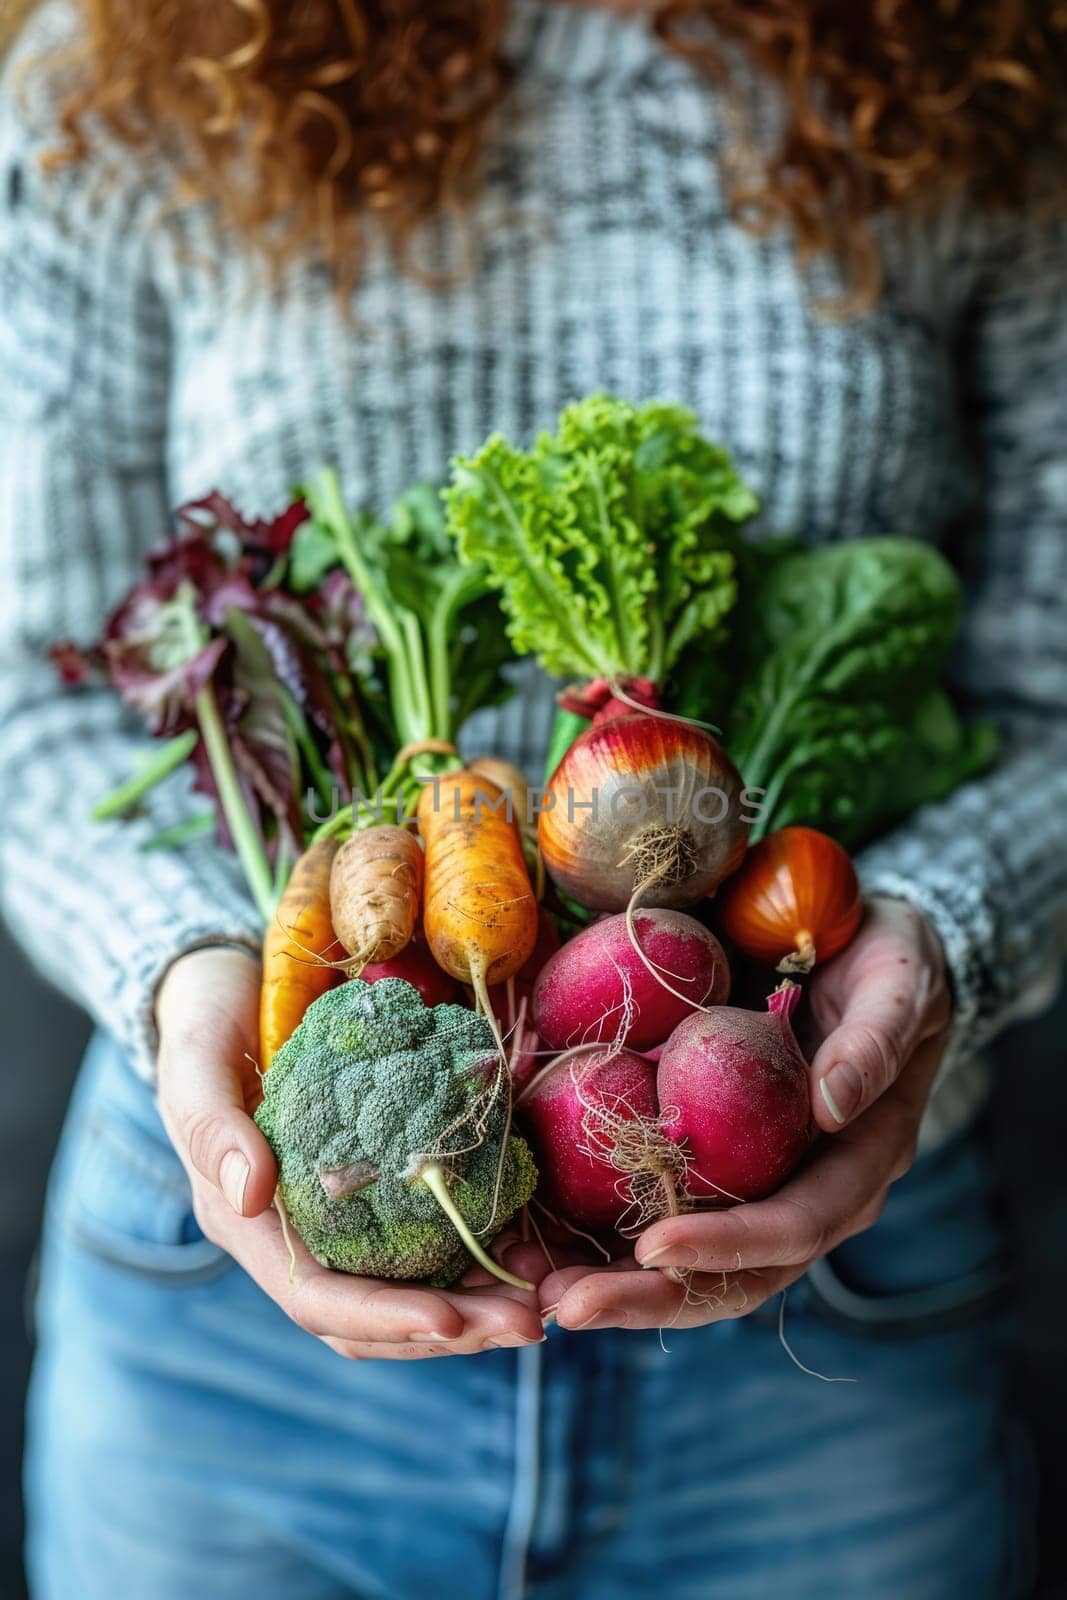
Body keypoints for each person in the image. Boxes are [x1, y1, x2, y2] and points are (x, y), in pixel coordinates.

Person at [1, 1, 1064, 1595]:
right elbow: (36, 697)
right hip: (237, 1310)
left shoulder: (983, 63)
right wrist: (187, 960)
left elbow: (1051, 691)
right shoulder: (120, 69)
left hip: (829, 1320)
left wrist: (930, 943)